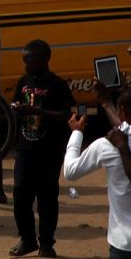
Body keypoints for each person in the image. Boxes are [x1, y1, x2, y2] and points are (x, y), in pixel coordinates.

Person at [9, 40, 73, 258]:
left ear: (44, 61)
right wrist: (17, 109)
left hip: (49, 151)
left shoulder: (56, 85)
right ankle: (27, 239)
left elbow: (67, 115)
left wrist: (38, 112)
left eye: (30, 61)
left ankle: (46, 244)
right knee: (20, 195)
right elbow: (16, 103)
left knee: (46, 198)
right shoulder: (24, 81)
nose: (26, 66)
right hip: (25, 149)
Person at [61, 87, 131, 259]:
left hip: (123, 243)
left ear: (122, 111)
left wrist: (77, 133)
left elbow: (70, 171)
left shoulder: (107, 146)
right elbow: (124, 125)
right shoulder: (117, 138)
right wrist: (107, 104)